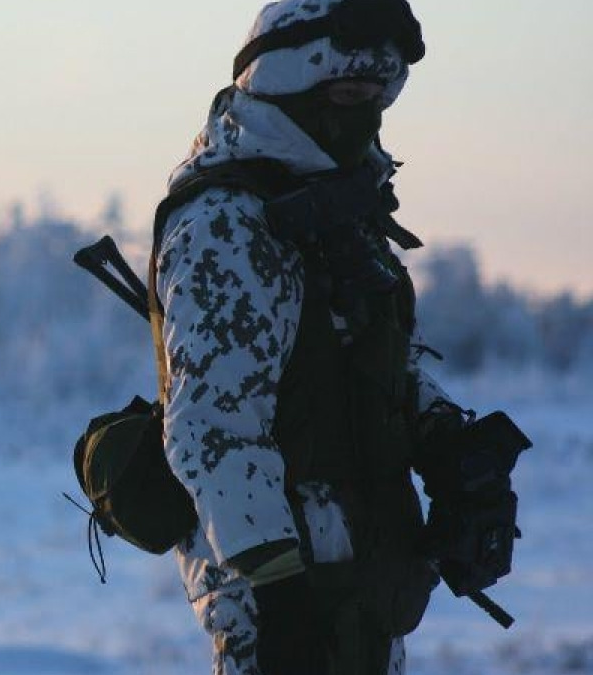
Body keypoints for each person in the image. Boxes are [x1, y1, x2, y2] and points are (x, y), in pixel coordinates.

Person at [152, 1, 469, 673]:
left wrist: (454, 448)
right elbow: (211, 426)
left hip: (362, 579)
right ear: (292, 85)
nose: (369, 113)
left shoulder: (336, 212)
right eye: (352, 93)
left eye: (379, 96)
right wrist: (279, 588)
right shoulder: (228, 223)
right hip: (279, 597)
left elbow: (380, 362)